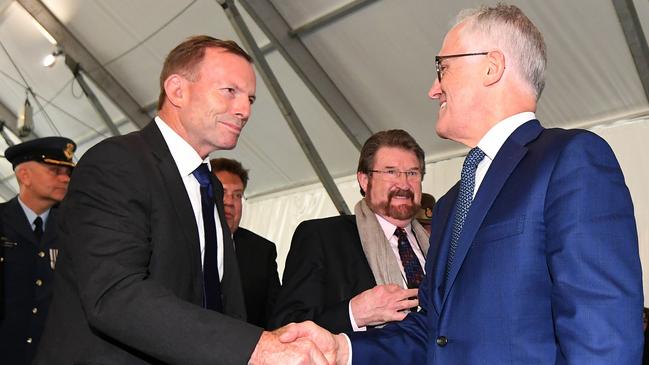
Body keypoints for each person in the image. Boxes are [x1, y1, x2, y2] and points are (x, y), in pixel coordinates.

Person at [283, 4, 643, 364]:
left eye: (443, 68)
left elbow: (603, 335)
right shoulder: (452, 202)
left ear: (491, 67)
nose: (433, 89)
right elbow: (434, 329)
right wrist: (342, 348)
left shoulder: (569, 160)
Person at [35, 35, 336, 365]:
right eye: (230, 91)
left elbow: (216, 300)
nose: (245, 110)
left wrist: (268, 339)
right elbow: (116, 294)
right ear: (177, 90)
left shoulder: (209, 185)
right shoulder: (116, 163)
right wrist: (254, 347)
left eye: (250, 99)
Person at [271, 129, 430, 334]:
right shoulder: (322, 237)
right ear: (364, 180)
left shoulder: (440, 245)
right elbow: (286, 325)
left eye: (412, 173)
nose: (404, 183)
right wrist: (354, 314)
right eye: (391, 172)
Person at [0, 136, 75, 364]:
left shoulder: (75, 228)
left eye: (68, 172)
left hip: (53, 354)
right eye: (54, 170)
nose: (65, 179)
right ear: (25, 176)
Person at [210, 157, 281, 329]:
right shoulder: (182, 239)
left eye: (237, 195)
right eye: (222, 191)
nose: (229, 202)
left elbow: (276, 314)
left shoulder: (262, 251)